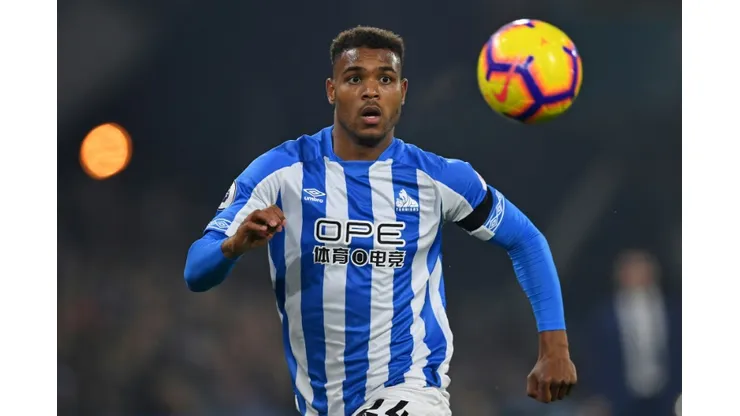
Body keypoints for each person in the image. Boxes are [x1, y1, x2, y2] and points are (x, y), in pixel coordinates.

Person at [184, 26, 577, 416]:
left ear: (402, 92)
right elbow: (195, 272)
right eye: (355, 79)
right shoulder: (281, 171)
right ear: (332, 90)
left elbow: (525, 240)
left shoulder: (438, 178)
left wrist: (555, 347)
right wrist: (233, 246)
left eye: (385, 79)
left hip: (411, 391)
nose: (371, 91)